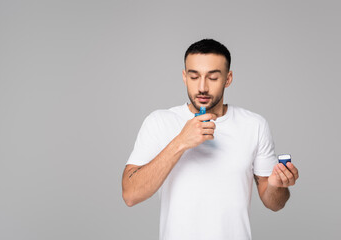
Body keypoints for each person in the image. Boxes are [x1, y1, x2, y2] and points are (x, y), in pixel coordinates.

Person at [122, 39, 299, 240]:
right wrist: (180, 142)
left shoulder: (254, 125)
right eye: (194, 76)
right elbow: (130, 194)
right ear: (184, 77)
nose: (202, 87)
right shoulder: (159, 122)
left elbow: (274, 203)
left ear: (228, 78)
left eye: (213, 77)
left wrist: (277, 185)